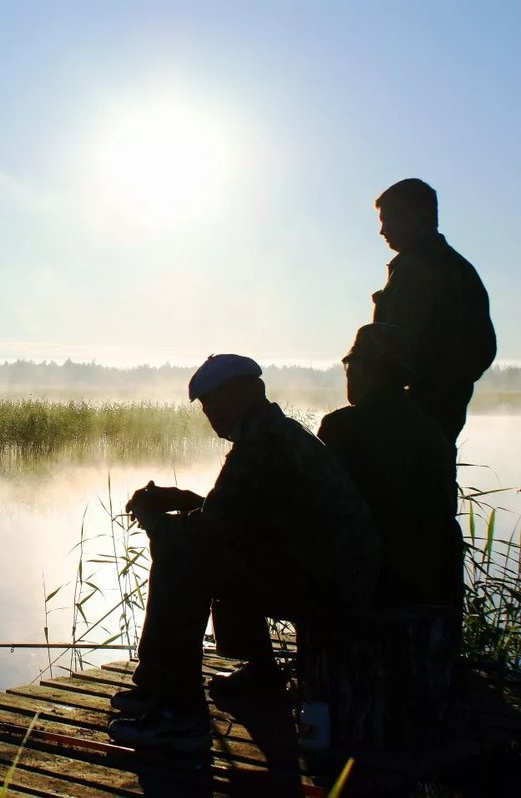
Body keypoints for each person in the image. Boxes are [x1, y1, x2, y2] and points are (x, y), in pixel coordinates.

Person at [106, 354, 378, 750]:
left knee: (183, 559)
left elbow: (210, 532)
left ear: (250, 391)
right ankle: (199, 683)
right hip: (329, 572)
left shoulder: (262, 443)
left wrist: (151, 518)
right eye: (204, 406)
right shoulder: (276, 433)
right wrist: (185, 499)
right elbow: (246, 517)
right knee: (202, 554)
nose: (210, 413)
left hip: (329, 585)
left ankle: (179, 714)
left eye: (215, 401)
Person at [318, 323, 462, 612]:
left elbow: (316, 504)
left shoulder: (343, 427)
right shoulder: (432, 433)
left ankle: (254, 657)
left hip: (369, 584)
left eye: (350, 367)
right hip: (431, 589)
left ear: (364, 369)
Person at [371, 178, 495, 445]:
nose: (383, 230)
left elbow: (398, 342)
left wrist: (416, 391)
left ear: (419, 215)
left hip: (420, 409)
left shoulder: (427, 269)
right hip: (431, 407)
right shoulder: (451, 267)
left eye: (390, 218)